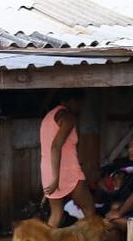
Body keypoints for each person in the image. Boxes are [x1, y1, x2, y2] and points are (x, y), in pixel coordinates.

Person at [39, 89, 98, 229]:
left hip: (47, 169)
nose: (80, 107)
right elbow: (55, 147)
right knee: (90, 211)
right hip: (66, 171)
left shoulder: (49, 116)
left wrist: (52, 178)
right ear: (73, 101)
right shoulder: (68, 117)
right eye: (80, 103)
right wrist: (56, 178)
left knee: (56, 214)